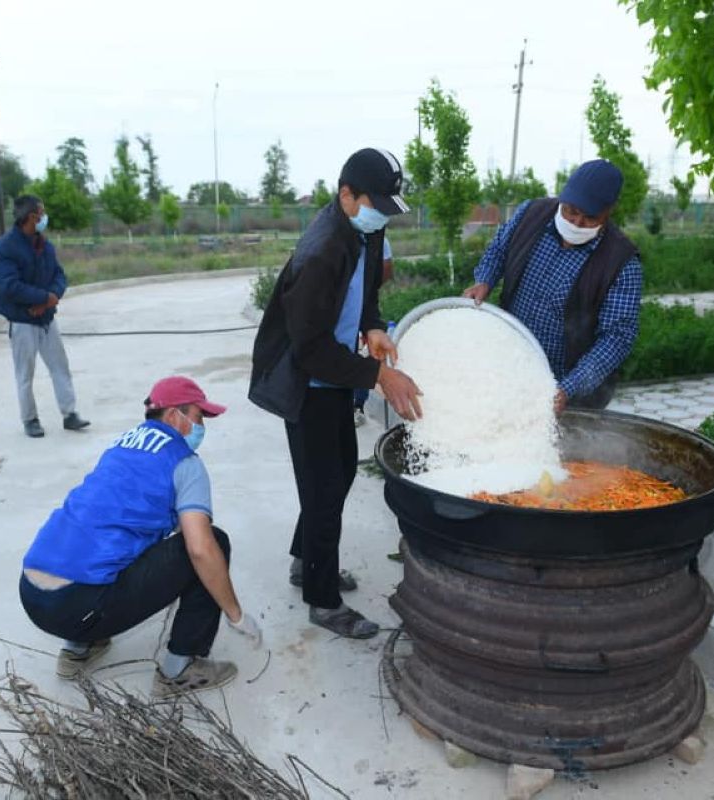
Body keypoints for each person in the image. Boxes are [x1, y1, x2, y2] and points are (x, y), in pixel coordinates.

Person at [249, 147, 422, 639]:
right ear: (347, 194)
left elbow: (366, 293)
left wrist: (372, 327)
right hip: (307, 381)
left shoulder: (365, 228)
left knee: (339, 472)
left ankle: (306, 561)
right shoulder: (321, 250)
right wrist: (378, 375)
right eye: (376, 204)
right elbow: (308, 350)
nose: (383, 215)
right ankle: (322, 601)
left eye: (389, 207)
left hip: (337, 373)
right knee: (323, 489)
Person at [19, 376, 262, 692]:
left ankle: (78, 650)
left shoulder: (122, 445)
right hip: (78, 606)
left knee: (105, 541)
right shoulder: (185, 463)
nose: (203, 427)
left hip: (32, 594)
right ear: (175, 415)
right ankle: (180, 669)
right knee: (213, 543)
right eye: (200, 417)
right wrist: (236, 615)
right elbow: (200, 549)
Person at [462, 159, 643, 412]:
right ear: (562, 197)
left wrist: (568, 388)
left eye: (589, 218)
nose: (577, 223)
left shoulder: (620, 263)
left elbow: (616, 339)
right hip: (510, 365)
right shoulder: (530, 215)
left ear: (609, 211)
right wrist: (484, 280)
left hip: (568, 389)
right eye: (570, 211)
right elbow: (498, 251)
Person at [0, 195, 90, 438]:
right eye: (41, 213)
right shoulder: (4, 249)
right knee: (25, 373)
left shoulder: (44, 245)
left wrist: (51, 297)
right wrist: (42, 298)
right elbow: (8, 286)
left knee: (60, 367)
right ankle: (30, 419)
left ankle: (70, 414)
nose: (45, 217)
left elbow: (59, 276)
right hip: (23, 322)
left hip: (47, 319)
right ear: (32, 216)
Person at [353, 236, 394, 426]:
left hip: (362, 309)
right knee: (353, 355)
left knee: (363, 355)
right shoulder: (329, 243)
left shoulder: (378, 240)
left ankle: (357, 406)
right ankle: (353, 406)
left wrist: (370, 324)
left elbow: (386, 269)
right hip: (346, 314)